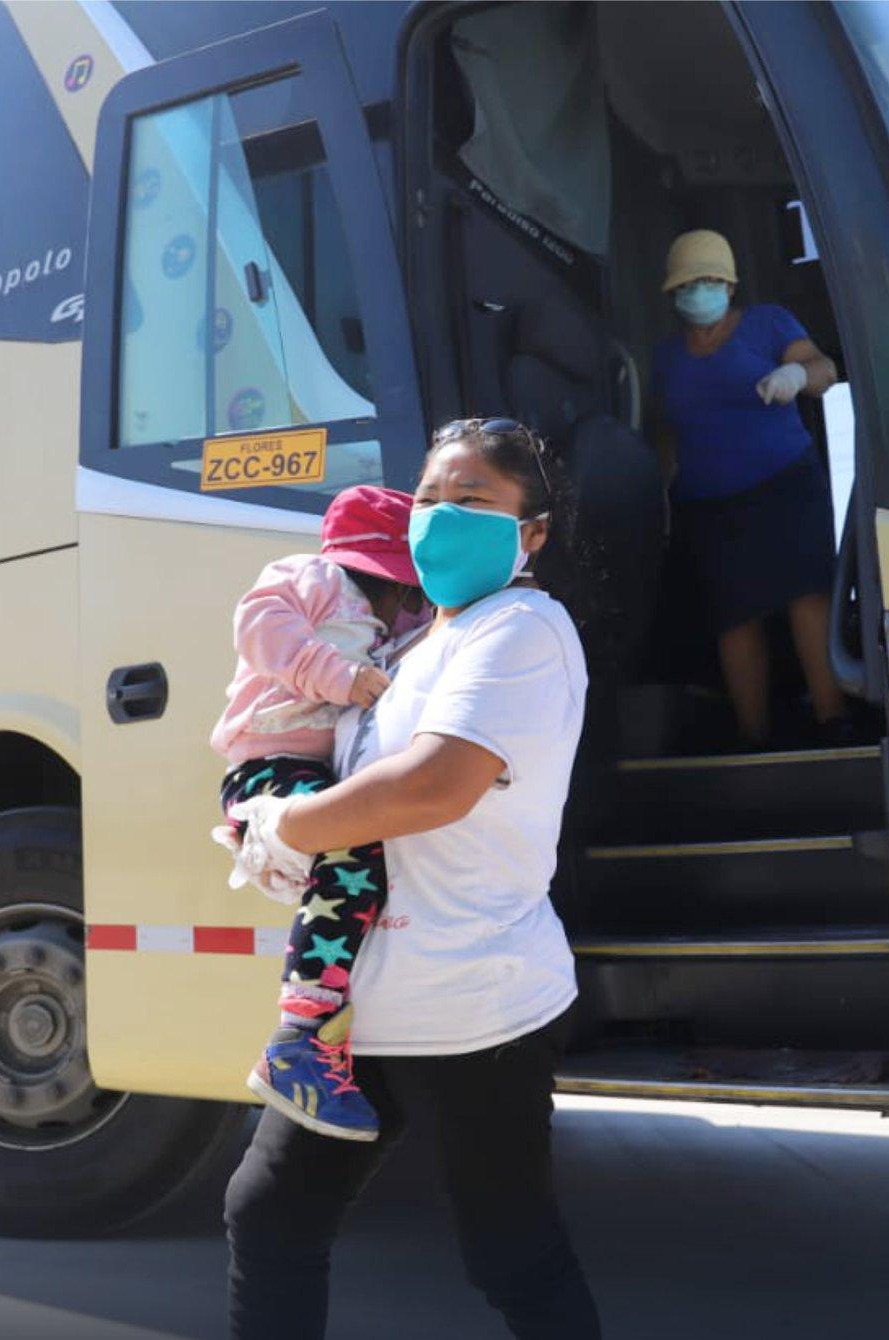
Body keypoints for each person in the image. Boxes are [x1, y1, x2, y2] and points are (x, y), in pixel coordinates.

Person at [218, 418, 601, 1340]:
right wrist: (284, 824)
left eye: (470, 500)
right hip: (362, 1010)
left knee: (510, 1254)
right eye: (428, 497)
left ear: (531, 531)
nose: (438, 517)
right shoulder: (410, 647)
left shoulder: (522, 628)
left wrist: (281, 826)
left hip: (473, 1005)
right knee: (268, 1218)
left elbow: (433, 786)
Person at [210, 484, 428, 1142]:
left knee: (364, 870)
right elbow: (258, 626)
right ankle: (298, 1037)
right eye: (395, 585)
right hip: (267, 766)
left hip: (320, 775)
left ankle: (327, 1024)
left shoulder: (404, 621)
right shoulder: (310, 576)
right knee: (354, 847)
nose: (402, 601)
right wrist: (336, 674)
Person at [649, 227, 850, 746]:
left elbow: (824, 368)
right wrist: (661, 491)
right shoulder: (667, 356)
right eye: (689, 284)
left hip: (786, 486)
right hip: (708, 504)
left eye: (711, 281)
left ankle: (833, 721)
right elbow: (665, 430)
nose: (700, 292)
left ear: (731, 286)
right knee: (733, 616)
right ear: (674, 292)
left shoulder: (768, 323)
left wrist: (795, 377)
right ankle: (752, 737)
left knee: (807, 597)